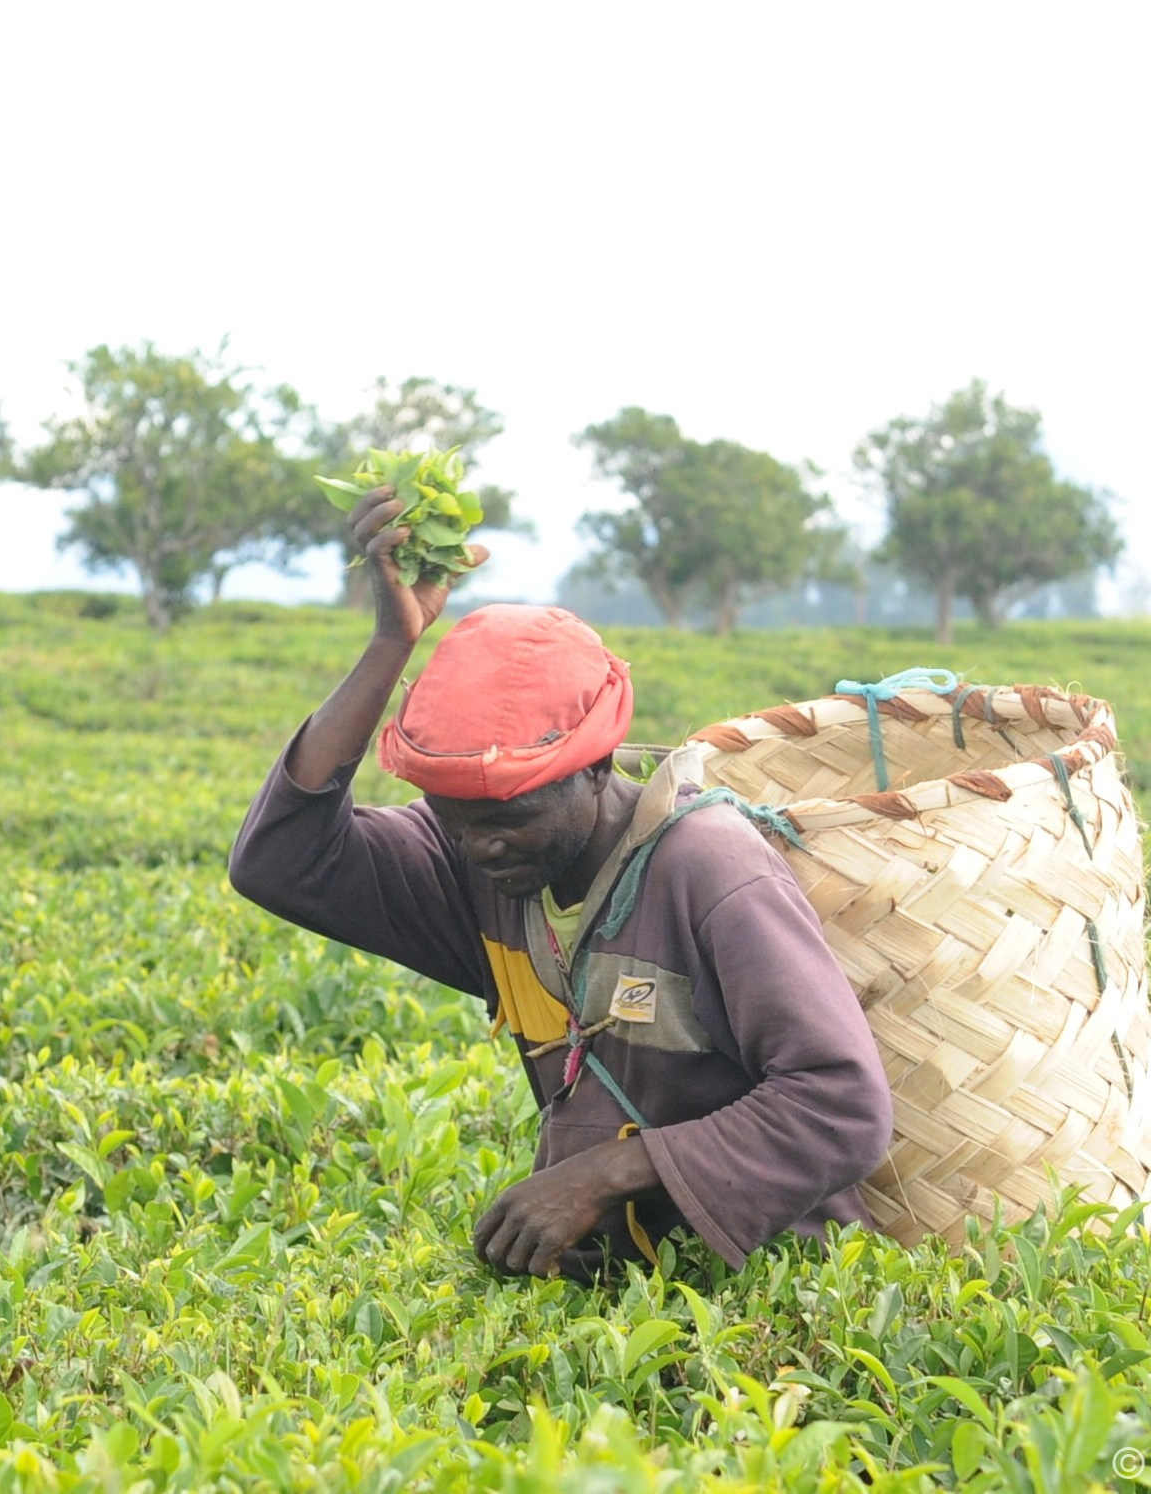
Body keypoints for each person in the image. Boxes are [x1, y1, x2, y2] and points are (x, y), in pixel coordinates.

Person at [228, 486, 893, 1279]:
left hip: (773, 1284)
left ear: (597, 766)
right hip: (613, 1287)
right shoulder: (478, 867)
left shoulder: (707, 866)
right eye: (455, 814)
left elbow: (843, 1104)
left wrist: (606, 1172)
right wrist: (389, 645)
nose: (481, 844)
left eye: (509, 814)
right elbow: (281, 859)